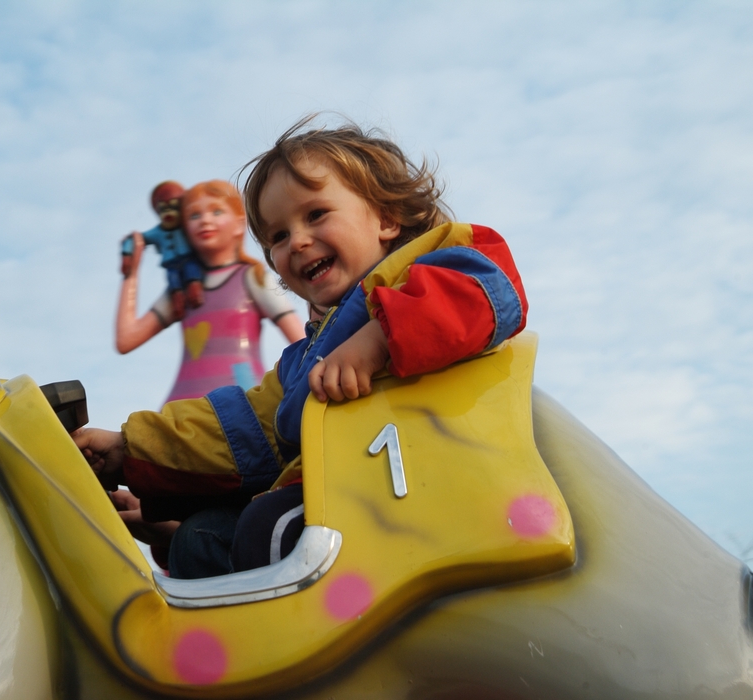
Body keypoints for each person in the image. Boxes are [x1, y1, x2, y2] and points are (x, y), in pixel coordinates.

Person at [78, 118, 528, 579]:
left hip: (423, 494)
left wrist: (376, 338)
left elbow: (489, 292)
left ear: (387, 218)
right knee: (200, 537)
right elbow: (239, 432)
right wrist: (129, 450)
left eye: (315, 215)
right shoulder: (304, 361)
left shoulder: (431, 263)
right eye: (277, 236)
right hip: (337, 500)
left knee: (265, 526)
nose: (297, 241)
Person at [116, 180, 305, 404]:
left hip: (244, 400)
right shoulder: (183, 291)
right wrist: (131, 272)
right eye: (194, 215)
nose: (205, 220)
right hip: (184, 405)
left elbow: (304, 342)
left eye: (217, 211)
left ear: (238, 223)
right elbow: (126, 339)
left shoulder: (251, 278)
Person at [120, 181, 204, 321]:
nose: (168, 214)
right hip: (171, 266)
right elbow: (133, 239)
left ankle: (195, 292)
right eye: (163, 209)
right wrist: (127, 255)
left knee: (193, 276)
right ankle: (178, 305)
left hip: (189, 260)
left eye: (173, 207)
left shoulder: (187, 225)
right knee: (174, 284)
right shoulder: (157, 233)